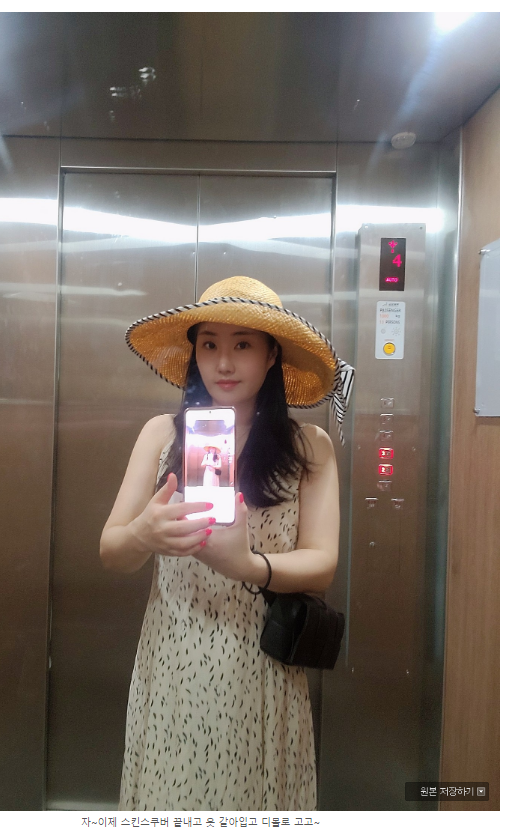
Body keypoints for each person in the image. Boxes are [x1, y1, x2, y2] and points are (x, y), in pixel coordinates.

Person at [100, 276, 354, 811]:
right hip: (173, 658)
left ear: (271, 355)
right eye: (209, 344)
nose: (223, 362)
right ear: (194, 353)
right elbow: (111, 550)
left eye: (242, 344)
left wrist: (249, 565)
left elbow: (323, 563)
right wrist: (144, 534)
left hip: (262, 666)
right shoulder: (160, 435)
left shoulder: (309, 446)